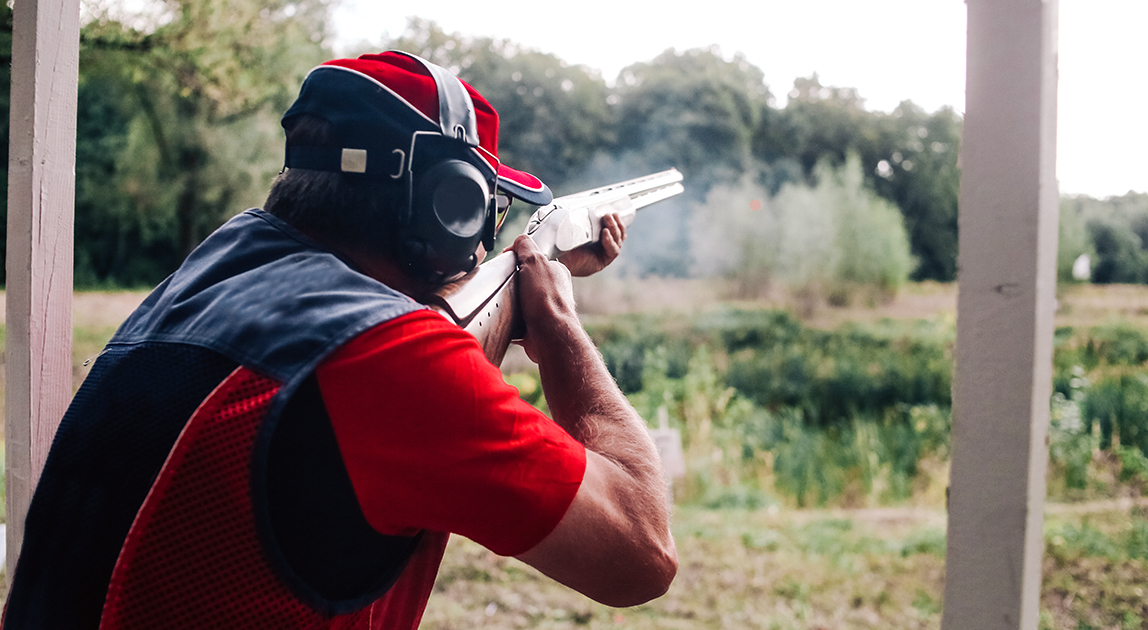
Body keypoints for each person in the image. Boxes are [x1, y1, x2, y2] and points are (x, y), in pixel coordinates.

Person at [1, 51, 676, 629]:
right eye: (486, 210)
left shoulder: (199, 287)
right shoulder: (387, 358)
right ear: (450, 206)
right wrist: (557, 326)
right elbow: (640, 555)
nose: (482, 241)